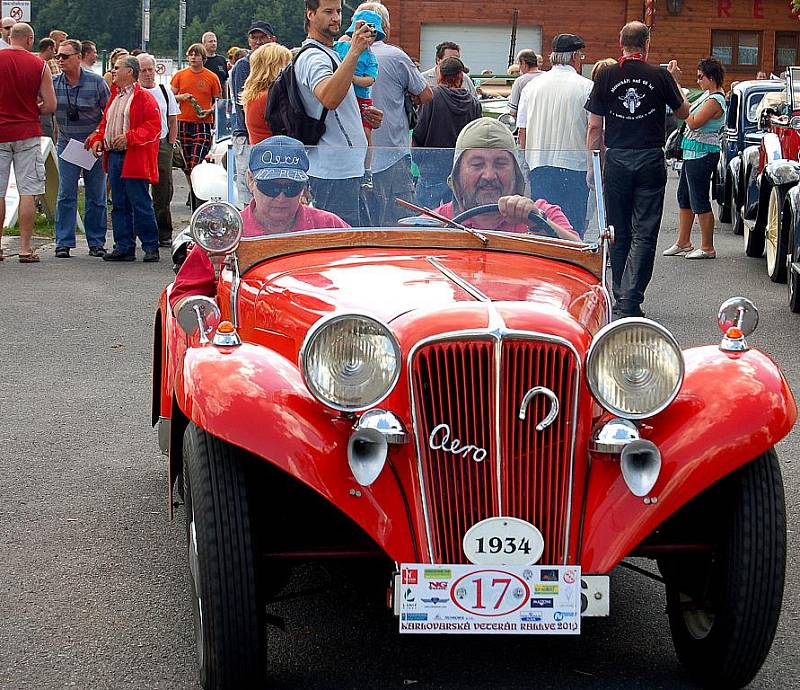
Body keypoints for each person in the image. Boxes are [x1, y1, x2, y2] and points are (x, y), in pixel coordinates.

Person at [170, 136, 349, 309]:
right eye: (270, 187)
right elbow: (184, 294)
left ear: (304, 187)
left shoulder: (330, 227)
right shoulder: (223, 233)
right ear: (250, 181)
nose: (281, 198)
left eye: (291, 188)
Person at [586, 21, 689, 318]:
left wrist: (595, 164)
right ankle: (631, 298)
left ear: (621, 44)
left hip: (617, 158)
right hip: (649, 158)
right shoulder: (659, 75)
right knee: (644, 231)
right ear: (646, 45)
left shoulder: (606, 75)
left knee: (617, 231)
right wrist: (675, 80)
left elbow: (595, 126)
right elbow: (684, 113)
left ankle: (621, 295)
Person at [295, 0, 383, 227]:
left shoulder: (329, 52)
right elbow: (330, 98)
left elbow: (339, 103)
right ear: (310, 14)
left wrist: (364, 115)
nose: (336, 17)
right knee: (342, 248)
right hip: (334, 172)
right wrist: (354, 51)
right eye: (328, 12)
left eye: (339, 11)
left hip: (345, 168)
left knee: (353, 244)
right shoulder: (313, 57)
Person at [429, 118, 579, 241]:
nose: (489, 175)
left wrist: (537, 222)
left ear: (516, 172)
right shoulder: (434, 223)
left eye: (500, 164)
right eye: (477, 164)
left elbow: (584, 256)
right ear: (457, 175)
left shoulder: (543, 214)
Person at [355, 1, 432, 225]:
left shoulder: (343, 57)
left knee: (362, 227)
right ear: (385, 27)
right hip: (392, 156)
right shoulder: (396, 56)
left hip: (354, 159)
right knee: (402, 226)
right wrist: (408, 95)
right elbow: (426, 94)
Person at [86, 54, 161, 262]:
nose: (113, 71)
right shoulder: (115, 96)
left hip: (133, 156)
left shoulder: (144, 97)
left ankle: (150, 246)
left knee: (140, 202)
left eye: (117, 68)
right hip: (116, 157)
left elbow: (154, 127)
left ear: (129, 72)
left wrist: (130, 138)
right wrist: (99, 139)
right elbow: (106, 123)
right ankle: (124, 245)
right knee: (119, 203)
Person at [517, 34, 593, 237]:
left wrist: (525, 164)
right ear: (575, 57)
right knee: (573, 228)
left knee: (543, 226)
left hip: (539, 164)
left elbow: (522, 132)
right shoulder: (586, 87)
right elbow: (593, 130)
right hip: (575, 167)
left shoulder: (531, 87)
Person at [0, 22, 57, 263]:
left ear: (9, 37)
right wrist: (34, 107)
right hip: (27, 131)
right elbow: (51, 105)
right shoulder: (39, 65)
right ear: (30, 40)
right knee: (28, 191)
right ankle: (24, 248)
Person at [664, 56, 727, 260]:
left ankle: (707, 247)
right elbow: (688, 108)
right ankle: (683, 241)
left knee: (699, 199)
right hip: (692, 152)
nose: (698, 81)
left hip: (703, 153)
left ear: (711, 77)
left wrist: (678, 91)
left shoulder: (715, 100)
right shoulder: (707, 96)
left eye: (701, 77)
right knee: (684, 196)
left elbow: (692, 121)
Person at [53, 38, 111, 258]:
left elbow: (108, 113)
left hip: (93, 144)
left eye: (65, 56)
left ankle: (96, 242)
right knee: (66, 193)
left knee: (96, 194)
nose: (60, 60)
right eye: (58, 56)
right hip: (68, 143)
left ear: (78, 57)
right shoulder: (54, 82)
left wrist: (97, 135)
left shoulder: (97, 83)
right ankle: (63, 242)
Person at [412, 56, 481, 208]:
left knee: (425, 216)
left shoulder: (431, 97)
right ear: (461, 76)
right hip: (460, 167)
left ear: (440, 75)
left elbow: (419, 131)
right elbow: (477, 137)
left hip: (431, 167)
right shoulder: (473, 102)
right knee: (457, 214)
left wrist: (419, 158)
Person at [229, 21, 276, 208]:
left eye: (262, 37)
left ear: (272, 39)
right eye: (254, 38)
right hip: (247, 134)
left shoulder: (273, 63)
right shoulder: (244, 65)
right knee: (249, 187)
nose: (258, 42)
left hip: (264, 136)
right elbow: (244, 103)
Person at [334, 9, 382, 186]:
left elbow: (370, 79)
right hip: (340, 96)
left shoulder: (370, 57)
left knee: (365, 133)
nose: (366, 38)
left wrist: (351, 78)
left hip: (361, 99)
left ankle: (366, 169)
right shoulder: (341, 47)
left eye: (371, 35)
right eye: (362, 32)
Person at [171, 43, 222, 207]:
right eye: (190, 54)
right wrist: (182, 97)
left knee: (196, 162)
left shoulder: (211, 77)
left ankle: (197, 194)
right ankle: (193, 191)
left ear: (203, 58)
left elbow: (219, 102)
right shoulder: (180, 75)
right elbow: (170, 97)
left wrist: (210, 111)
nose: (193, 57)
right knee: (186, 164)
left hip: (203, 124)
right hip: (183, 122)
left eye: (196, 55)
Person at [138, 52, 180, 247]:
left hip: (162, 143)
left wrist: (171, 142)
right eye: (143, 70)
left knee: (163, 188)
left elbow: (173, 118)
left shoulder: (164, 90)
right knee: (139, 188)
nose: (147, 74)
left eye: (150, 70)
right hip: (140, 145)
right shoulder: (135, 91)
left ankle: (164, 232)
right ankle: (142, 230)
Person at [240, 43, 292, 145]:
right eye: (287, 64)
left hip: (262, 156)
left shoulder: (254, 97)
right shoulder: (268, 98)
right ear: (276, 67)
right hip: (277, 156)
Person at [508, 49, 543, 117]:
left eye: (519, 64)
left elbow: (513, 111)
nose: (519, 67)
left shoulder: (520, 81)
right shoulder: (548, 77)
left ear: (523, 63)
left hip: (528, 123)